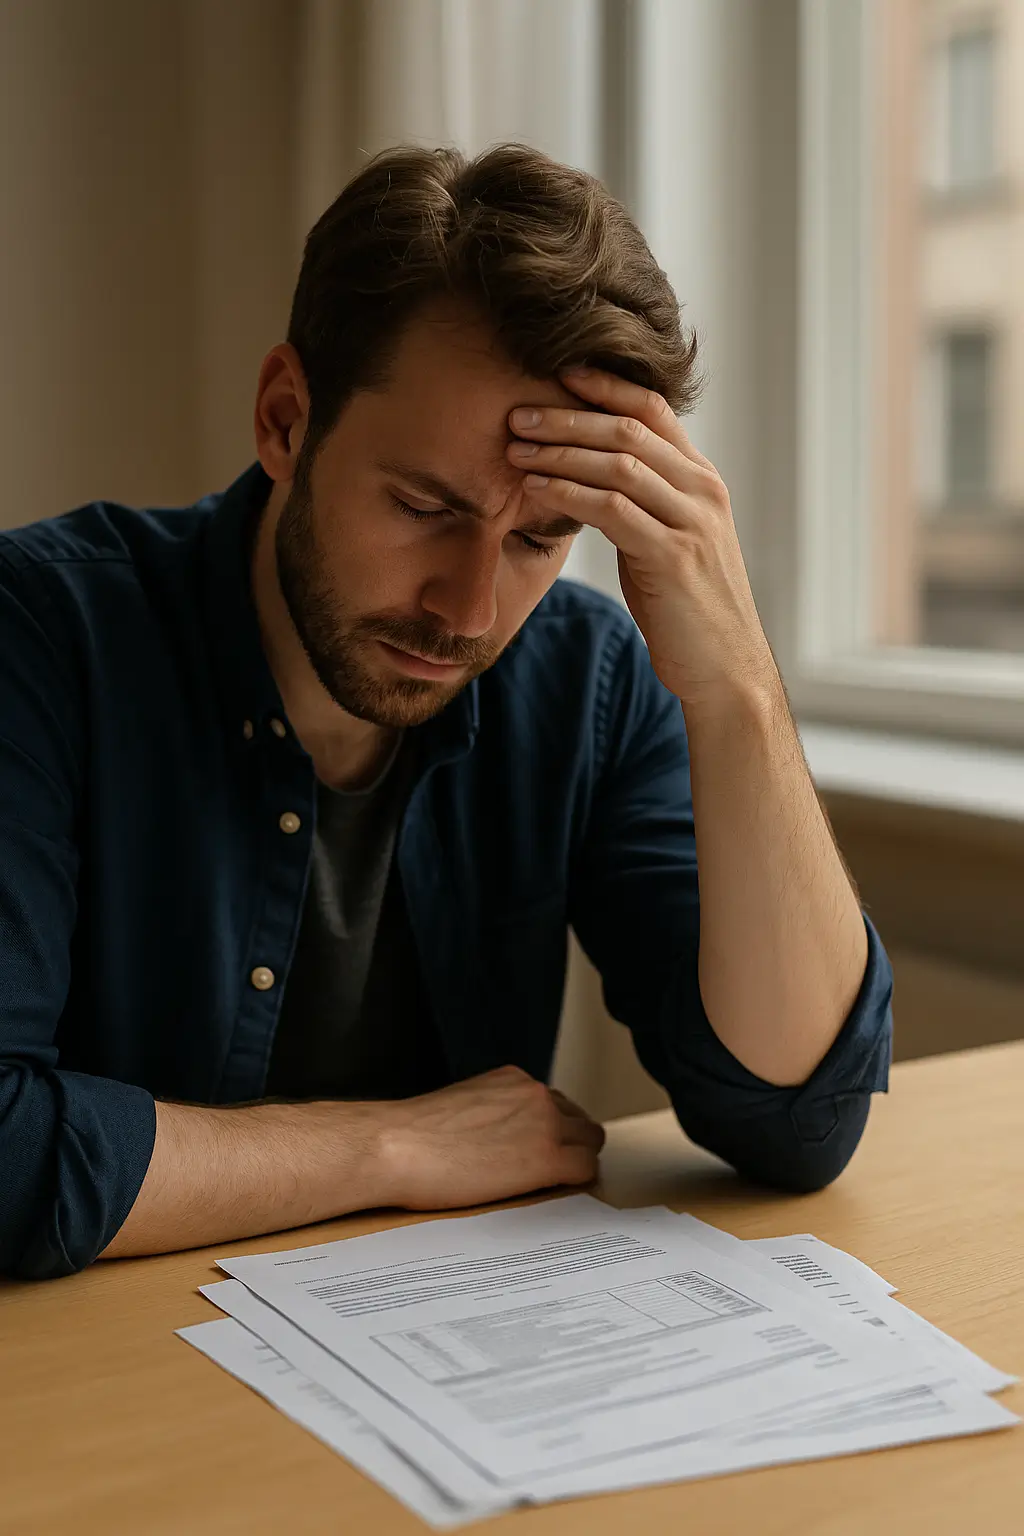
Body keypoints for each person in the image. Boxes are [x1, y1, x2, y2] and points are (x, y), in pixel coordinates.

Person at [0, 143, 891, 1282]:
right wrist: (385, 1144)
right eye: (424, 506)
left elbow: (795, 1122)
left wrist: (739, 693)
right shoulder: (38, 636)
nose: (468, 610)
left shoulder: (590, 680)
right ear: (284, 419)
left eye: (537, 538)